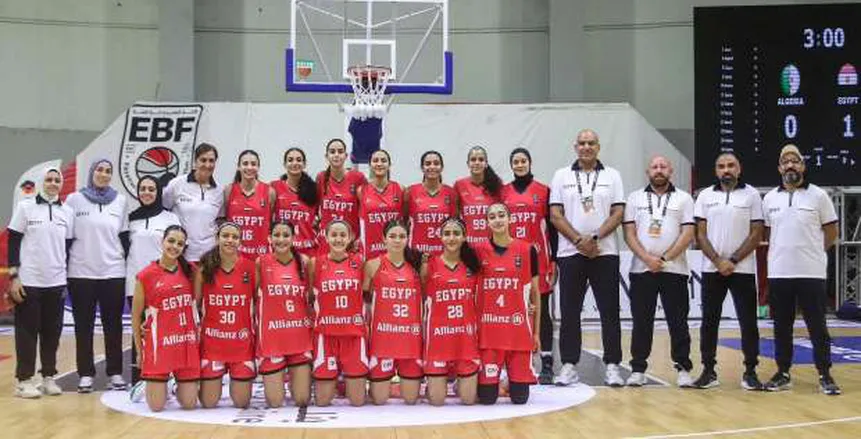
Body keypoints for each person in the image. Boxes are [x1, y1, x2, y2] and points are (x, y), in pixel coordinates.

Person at [762, 144, 841, 395]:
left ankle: (825, 374)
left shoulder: (818, 196)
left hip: (811, 272)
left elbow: (832, 232)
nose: (790, 165)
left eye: (795, 161)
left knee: (817, 326)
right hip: (779, 272)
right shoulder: (770, 199)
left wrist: (814, 251)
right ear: (779, 168)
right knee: (781, 326)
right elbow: (768, 232)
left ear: (803, 166)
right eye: (785, 161)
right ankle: (783, 373)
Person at [548, 129, 625, 387]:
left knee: (609, 311)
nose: (586, 147)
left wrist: (594, 238)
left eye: (591, 143)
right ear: (575, 147)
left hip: (605, 252)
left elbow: (618, 213)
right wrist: (579, 241)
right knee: (570, 311)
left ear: (598, 147)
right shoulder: (561, 175)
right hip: (571, 253)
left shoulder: (612, 175)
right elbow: (555, 215)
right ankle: (569, 365)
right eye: (582, 143)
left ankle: (612, 366)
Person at [692, 152, 764, 390]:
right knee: (709, 321)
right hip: (712, 269)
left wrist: (732, 260)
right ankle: (708, 371)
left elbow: (757, 233)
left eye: (731, 165)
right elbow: (700, 234)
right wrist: (717, 260)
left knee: (748, 322)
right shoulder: (705, 195)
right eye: (721, 166)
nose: (726, 170)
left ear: (738, 169)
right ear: (716, 171)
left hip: (742, 269)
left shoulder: (752, 194)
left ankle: (751, 371)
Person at [622, 155, 695, 388]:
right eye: (654, 167)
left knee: (678, 322)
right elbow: (629, 234)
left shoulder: (684, 198)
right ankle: (638, 369)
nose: (659, 170)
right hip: (641, 270)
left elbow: (688, 233)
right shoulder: (634, 198)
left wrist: (664, 259)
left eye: (663, 166)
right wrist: (647, 259)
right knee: (641, 322)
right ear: (648, 172)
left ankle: (683, 368)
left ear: (670, 170)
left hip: (675, 270)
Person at [7, 167, 73, 398]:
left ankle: (48, 377)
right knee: (27, 333)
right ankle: (24, 381)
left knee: (52, 333)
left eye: (57, 180)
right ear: (41, 182)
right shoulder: (25, 207)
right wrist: (14, 277)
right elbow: (14, 242)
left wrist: (65, 276)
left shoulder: (67, 212)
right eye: (49, 179)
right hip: (29, 281)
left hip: (56, 281)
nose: (53, 183)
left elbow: (67, 247)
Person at [66, 158, 130, 393]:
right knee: (83, 326)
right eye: (100, 170)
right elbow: (66, 238)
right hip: (80, 272)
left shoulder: (120, 201)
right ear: (92, 172)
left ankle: (115, 373)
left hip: (113, 271)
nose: (103, 174)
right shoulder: (74, 200)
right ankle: (85, 374)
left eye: (108, 171)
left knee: (113, 325)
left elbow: (124, 237)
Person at [501, 147, 557, 384]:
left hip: (539, 258)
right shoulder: (503, 192)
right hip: (512, 259)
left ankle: (547, 362)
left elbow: (552, 228)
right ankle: (512, 362)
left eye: (523, 160)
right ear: (511, 165)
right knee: (511, 310)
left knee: (541, 311)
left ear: (530, 162)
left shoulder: (544, 191)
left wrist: (554, 259)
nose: (520, 164)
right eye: (516, 161)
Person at [474, 203, 540, 404]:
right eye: (492, 217)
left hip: (517, 331)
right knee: (487, 399)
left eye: (501, 215)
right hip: (489, 332)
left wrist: (536, 334)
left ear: (510, 219)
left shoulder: (528, 249)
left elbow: (535, 294)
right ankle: (490, 381)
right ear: (486, 223)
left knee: (520, 399)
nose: (497, 220)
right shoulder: (477, 251)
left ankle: (508, 380)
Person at [131, 226, 199, 412]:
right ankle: (153, 384)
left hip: (185, 343)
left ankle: (173, 385)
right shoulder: (146, 275)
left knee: (189, 404)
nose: (174, 246)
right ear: (162, 241)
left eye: (180, 244)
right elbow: (136, 317)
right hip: (159, 345)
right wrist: (139, 352)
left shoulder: (192, 272)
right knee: (156, 406)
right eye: (171, 241)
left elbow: (200, 303)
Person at [196, 222, 257, 408]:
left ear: (241, 241)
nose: (230, 240)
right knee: (208, 403)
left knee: (241, 402)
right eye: (225, 236)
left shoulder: (251, 267)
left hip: (241, 344)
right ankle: (179, 386)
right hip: (213, 343)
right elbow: (195, 305)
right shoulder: (204, 268)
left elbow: (259, 303)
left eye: (235, 237)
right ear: (217, 239)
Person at [126, 176, 180, 384]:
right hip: (135, 282)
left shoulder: (170, 218)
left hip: (163, 284)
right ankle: (138, 380)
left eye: (151, 189)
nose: (147, 192)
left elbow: (177, 250)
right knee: (139, 330)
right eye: (143, 189)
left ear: (158, 192)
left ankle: (166, 376)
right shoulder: (130, 219)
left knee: (165, 330)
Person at [362, 220, 424, 405]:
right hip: (383, 340)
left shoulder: (418, 265)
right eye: (392, 236)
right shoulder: (373, 265)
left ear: (408, 239)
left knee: (411, 400)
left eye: (402, 236)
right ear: (384, 238)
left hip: (410, 340)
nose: (397, 240)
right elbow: (364, 299)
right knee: (379, 400)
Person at [422, 217, 480, 406]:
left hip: (465, 339)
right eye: (447, 234)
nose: (451, 238)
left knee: (468, 400)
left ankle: (459, 383)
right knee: (437, 401)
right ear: (440, 237)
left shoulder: (473, 265)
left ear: (464, 237)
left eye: (456, 233)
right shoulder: (429, 263)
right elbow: (419, 295)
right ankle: (435, 382)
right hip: (438, 339)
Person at [308, 220, 367, 407]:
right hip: (326, 335)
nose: (338, 239)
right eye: (334, 235)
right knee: (322, 401)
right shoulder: (316, 263)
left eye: (343, 235)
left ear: (350, 238)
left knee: (358, 401)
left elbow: (367, 293)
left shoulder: (360, 262)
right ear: (326, 237)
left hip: (354, 335)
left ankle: (347, 380)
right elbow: (310, 295)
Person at [256, 220, 313, 408]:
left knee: (302, 400)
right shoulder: (261, 262)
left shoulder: (305, 262)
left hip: (299, 337)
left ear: (294, 238)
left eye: (286, 235)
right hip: (272, 339)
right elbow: (253, 297)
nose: (281, 239)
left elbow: (311, 297)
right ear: (269, 238)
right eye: (277, 235)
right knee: (275, 402)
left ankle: (295, 379)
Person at [163, 143, 223, 262]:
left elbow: (220, 220)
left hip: (209, 256)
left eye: (211, 161)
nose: (207, 165)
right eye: (203, 160)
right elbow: (164, 212)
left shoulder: (219, 190)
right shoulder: (177, 184)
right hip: (181, 254)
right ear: (195, 162)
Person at [316, 138, 367, 252]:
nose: (336, 155)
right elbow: (313, 209)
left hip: (350, 242)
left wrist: (360, 238)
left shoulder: (358, 177)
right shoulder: (321, 178)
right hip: (327, 241)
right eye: (332, 152)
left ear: (346, 156)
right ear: (326, 156)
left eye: (340, 151)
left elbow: (365, 209)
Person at [404, 151, 456, 256]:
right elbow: (404, 222)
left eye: (436, 163)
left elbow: (455, 223)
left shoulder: (451, 193)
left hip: (443, 253)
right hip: (416, 253)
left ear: (442, 167)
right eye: (428, 164)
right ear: (422, 168)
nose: (432, 167)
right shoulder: (410, 191)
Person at [225, 149, 275, 259]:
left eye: (253, 164)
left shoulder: (269, 191)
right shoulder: (229, 190)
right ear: (238, 167)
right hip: (234, 255)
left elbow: (271, 221)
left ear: (258, 167)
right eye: (245, 163)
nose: (249, 167)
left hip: (260, 256)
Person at [272, 147, 319, 256]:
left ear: (304, 164)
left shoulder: (314, 189)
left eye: (298, 160)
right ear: (284, 164)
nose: (294, 163)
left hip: (308, 250)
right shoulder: (274, 187)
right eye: (290, 160)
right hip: (283, 249)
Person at [359, 150, 404, 259]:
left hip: (394, 252)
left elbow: (405, 219)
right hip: (370, 252)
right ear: (370, 165)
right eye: (375, 161)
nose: (379, 164)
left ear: (389, 165)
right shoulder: (361, 191)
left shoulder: (400, 189)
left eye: (383, 161)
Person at [454, 146, 502, 245]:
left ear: (486, 163)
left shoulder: (496, 185)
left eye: (481, 159)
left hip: (492, 244)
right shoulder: (459, 185)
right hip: (469, 245)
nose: (477, 162)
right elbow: (455, 217)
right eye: (473, 160)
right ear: (468, 163)